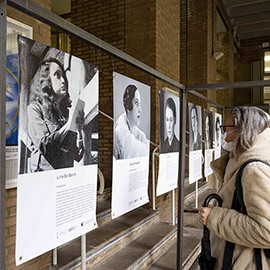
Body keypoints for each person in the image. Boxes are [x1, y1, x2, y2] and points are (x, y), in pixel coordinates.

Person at [199, 106, 270, 269]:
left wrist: (215, 217)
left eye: (226, 128)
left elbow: (266, 230)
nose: (224, 134)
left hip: (245, 263)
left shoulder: (253, 170)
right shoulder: (240, 161)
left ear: (242, 130)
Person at [27, 58, 84, 172]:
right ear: (47, 81)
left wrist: (80, 134)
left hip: (64, 175)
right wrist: (69, 125)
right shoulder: (35, 108)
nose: (63, 80)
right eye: (57, 75)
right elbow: (44, 145)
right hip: (44, 177)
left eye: (63, 76)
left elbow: (75, 155)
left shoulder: (66, 112)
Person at [114, 84, 149, 160]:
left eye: (139, 104)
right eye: (136, 103)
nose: (140, 110)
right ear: (128, 106)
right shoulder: (117, 135)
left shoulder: (141, 136)